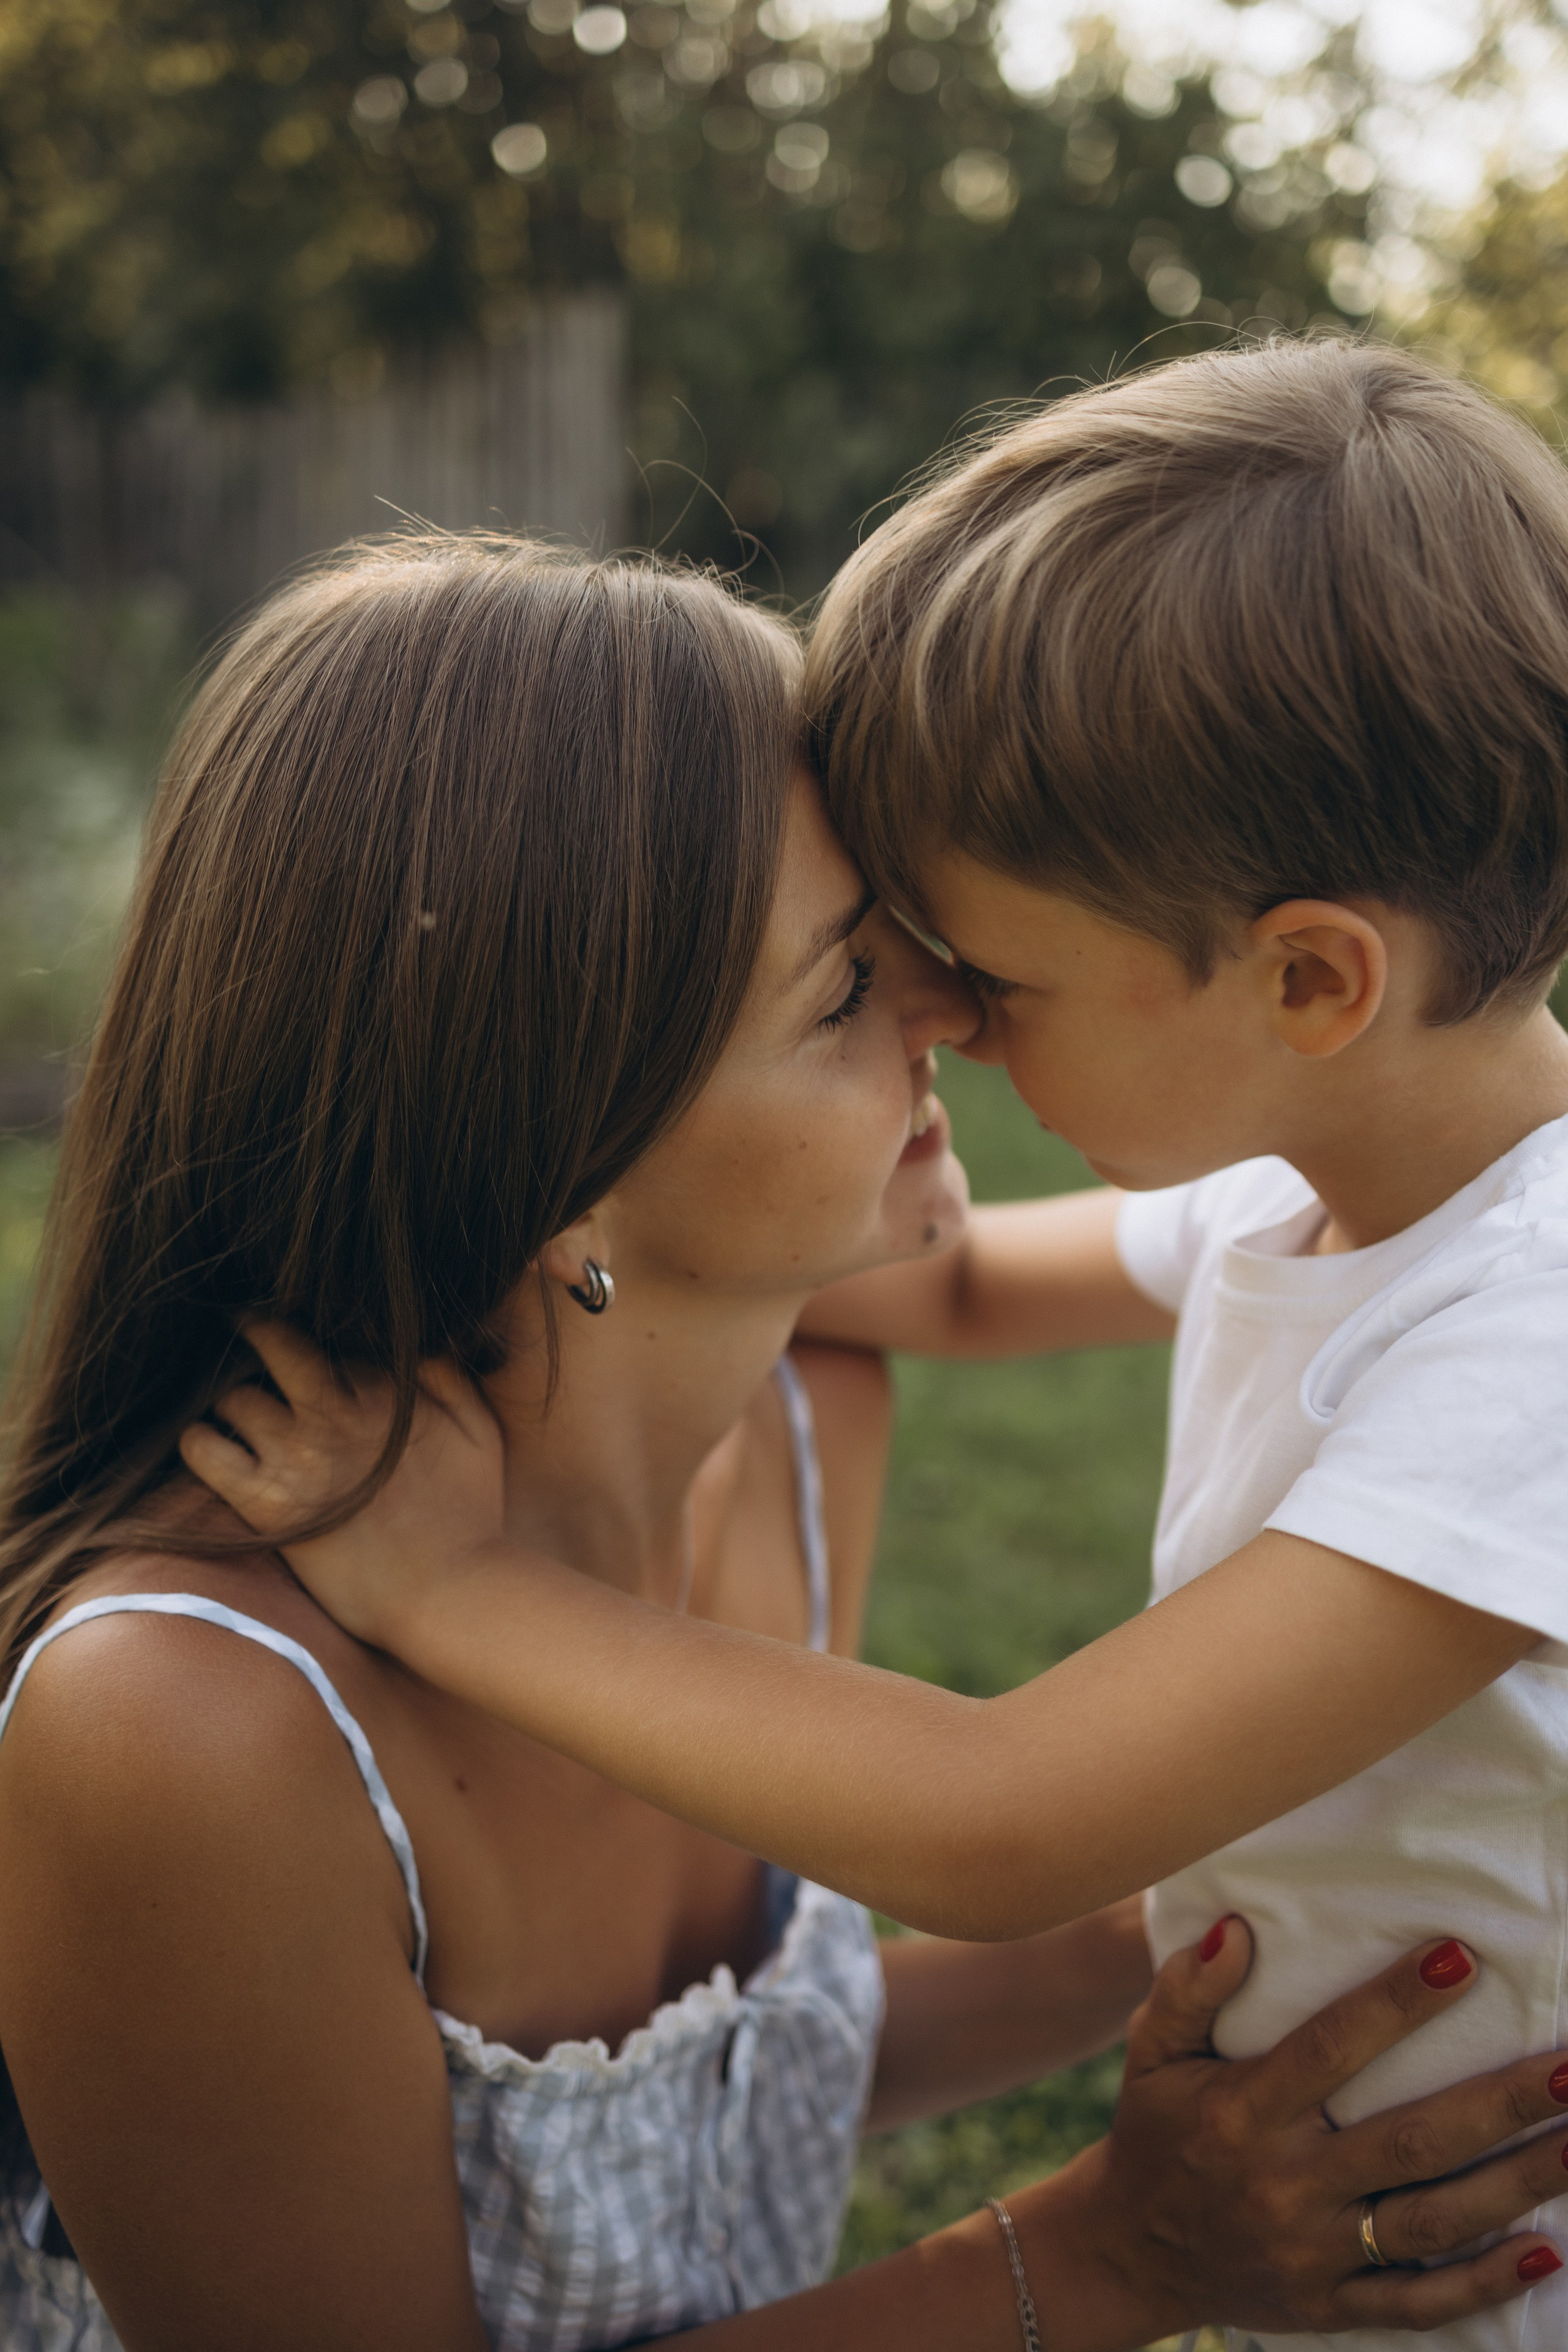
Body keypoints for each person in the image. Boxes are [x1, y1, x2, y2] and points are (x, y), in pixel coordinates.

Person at [4, 531, 1550, 2351]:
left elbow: (721, 2094)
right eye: (844, 987)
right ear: (556, 1156)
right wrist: (1110, 2257)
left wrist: (1227, 1921)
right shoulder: (184, 1728)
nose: (958, 1005)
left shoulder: (804, 1431)